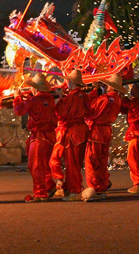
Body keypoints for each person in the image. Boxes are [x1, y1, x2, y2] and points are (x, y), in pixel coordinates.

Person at [13, 73, 57, 202]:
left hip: (39, 137)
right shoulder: (49, 98)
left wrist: (17, 98)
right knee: (44, 165)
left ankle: (40, 193)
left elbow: (19, 110)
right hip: (49, 136)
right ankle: (48, 186)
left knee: (36, 166)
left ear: (36, 88)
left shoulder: (34, 100)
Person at [49, 69, 90, 201]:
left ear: (72, 82)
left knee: (71, 164)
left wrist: (61, 99)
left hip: (72, 132)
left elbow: (62, 113)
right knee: (75, 164)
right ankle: (70, 187)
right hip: (81, 131)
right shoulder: (84, 95)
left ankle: (75, 190)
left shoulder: (72, 97)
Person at [84, 74, 124, 197]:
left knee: (92, 161)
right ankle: (101, 186)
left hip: (96, 133)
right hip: (106, 132)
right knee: (102, 162)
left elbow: (90, 108)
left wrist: (94, 90)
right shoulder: (117, 99)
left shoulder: (105, 99)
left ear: (111, 87)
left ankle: (94, 187)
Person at [121, 82, 139, 194]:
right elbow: (125, 109)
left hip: (136, 131)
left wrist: (119, 92)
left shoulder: (136, 100)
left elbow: (126, 103)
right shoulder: (138, 101)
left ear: (138, 90)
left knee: (133, 158)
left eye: (133, 87)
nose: (131, 89)